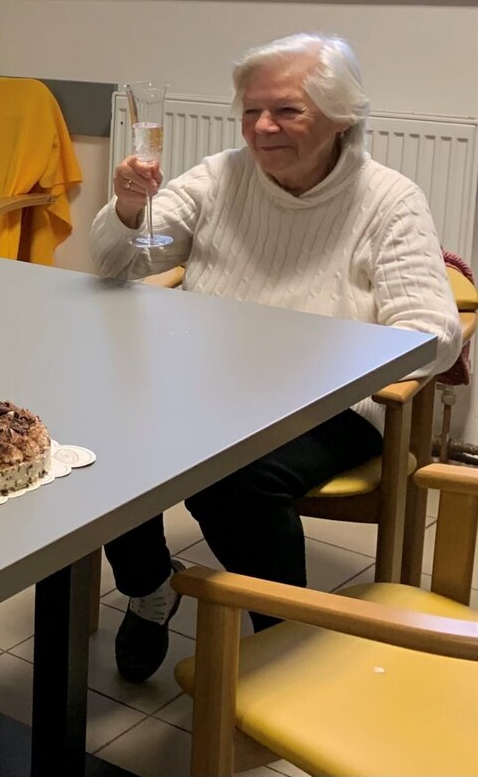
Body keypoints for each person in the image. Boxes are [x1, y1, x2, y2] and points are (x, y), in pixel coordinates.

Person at [94, 33, 461, 682]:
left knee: (232, 477)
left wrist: (307, 361)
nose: (263, 127)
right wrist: (128, 207)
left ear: (342, 116)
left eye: (287, 110)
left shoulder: (389, 198)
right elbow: (116, 262)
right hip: (209, 389)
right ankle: (149, 584)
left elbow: (432, 332)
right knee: (98, 428)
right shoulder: (219, 176)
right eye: (251, 111)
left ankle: (286, 641)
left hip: (332, 406)